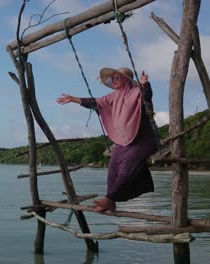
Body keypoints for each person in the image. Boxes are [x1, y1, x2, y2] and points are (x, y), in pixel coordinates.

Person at [56, 67, 158, 212]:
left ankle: (109, 199)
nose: (114, 80)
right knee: (113, 169)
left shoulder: (136, 92)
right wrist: (72, 99)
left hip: (144, 139)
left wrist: (144, 85)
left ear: (127, 79)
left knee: (126, 168)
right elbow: (94, 102)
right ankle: (111, 201)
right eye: (113, 78)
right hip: (125, 141)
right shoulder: (113, 97)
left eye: (117, 77)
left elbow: (147, 95)